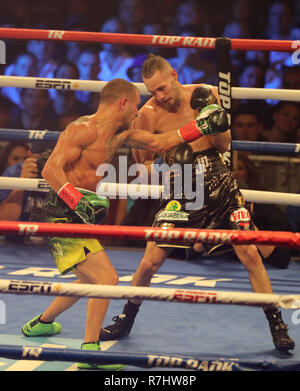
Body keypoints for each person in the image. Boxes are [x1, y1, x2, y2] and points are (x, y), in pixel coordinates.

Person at [21, 78, 227, 369]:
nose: (139, 111)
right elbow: (50, 168)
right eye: (136, 105)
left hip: (81, 214)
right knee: (106, 280)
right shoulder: (82, 129)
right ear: (123, 103)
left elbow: (158, 142)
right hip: (62, 213)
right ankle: (90, 353)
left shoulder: (120, 133)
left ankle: (41, 323)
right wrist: (76, 200)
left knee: (87, 280)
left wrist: (201, 128)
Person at [100, 55, 295, 352]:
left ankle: (277, 325)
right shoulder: (148, 114)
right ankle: (125, 319)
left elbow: (224, 144)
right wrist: (169, 163)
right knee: (150, 261)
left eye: (163, 88)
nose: (159, 97)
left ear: (175, 75)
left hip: (219, 180)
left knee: (250, 253)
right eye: (152, 92)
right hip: (179, 187)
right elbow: (145, 168)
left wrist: (213, 122)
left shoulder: (206, 94)